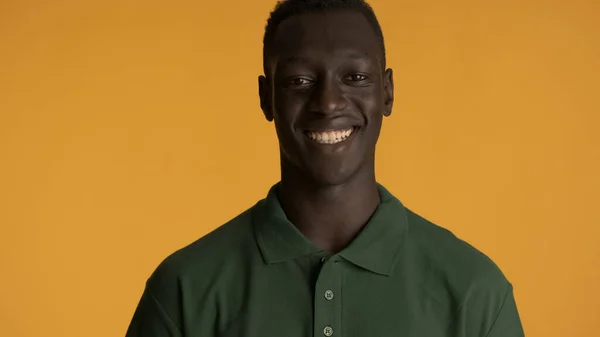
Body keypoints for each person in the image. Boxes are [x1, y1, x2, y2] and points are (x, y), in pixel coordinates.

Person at [125, 0, 525, 336]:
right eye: (299, 80)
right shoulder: (183, 290)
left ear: (387, 92)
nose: (329, 102)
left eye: (355, 77)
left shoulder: (476, 293)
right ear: (266, 98)